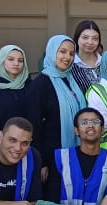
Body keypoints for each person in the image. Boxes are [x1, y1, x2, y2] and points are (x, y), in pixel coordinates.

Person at [28, 34, 86, 180]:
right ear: (52, 52)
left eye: (71, 53)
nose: (68, 57)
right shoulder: (40, 84)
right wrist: (41, 162)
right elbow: (34, 125)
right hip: (51, 158)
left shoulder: (72, 81)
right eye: (62, 51)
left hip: (74, 152)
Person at [0, 45, 30, 139]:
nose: (16, 63)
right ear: (2, 61)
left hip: (28, 140)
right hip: (3, 142)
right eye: (11, 59)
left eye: (20, 60)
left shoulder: (30, 86)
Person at [70, 20, 104, 93]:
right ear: (77, 38)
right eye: (85, 37)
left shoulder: (105, 62)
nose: (90, 42)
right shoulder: (69, 64)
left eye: (95, 38)